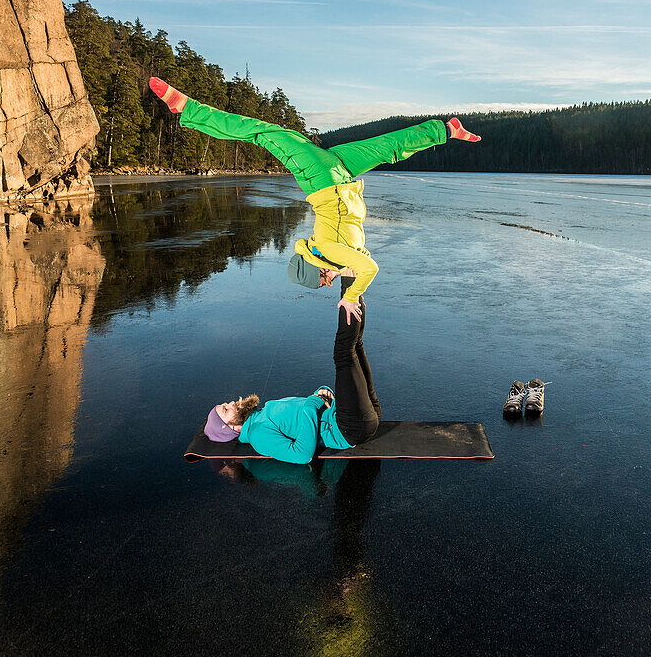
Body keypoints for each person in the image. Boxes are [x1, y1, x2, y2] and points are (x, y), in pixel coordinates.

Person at [149, 77, 480, 322]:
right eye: (327, 281)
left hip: (320, 178)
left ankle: (188, 108)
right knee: (388, 148)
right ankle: (447, 130)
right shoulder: (336, 252)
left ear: (316, 267)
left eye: (323, 278)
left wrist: (351, 296)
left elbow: (370, 268)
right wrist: (345, 269)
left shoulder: (332, 251)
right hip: (341, 177)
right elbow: (360, 256)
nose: (329, 279)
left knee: (263, 132)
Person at [203, 277, 381, 462]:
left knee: (355, 346)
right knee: (344, 353)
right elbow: (301, 455)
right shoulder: (258, 436)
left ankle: (354, 291)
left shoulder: (262, 413)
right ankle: (349, 281)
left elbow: (303, 413)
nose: (231, 403)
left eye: (225, 404)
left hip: (351, 417)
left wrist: (321, 395)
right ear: (229, 427)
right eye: (225, 409)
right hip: (349, 428)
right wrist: (313, 404)